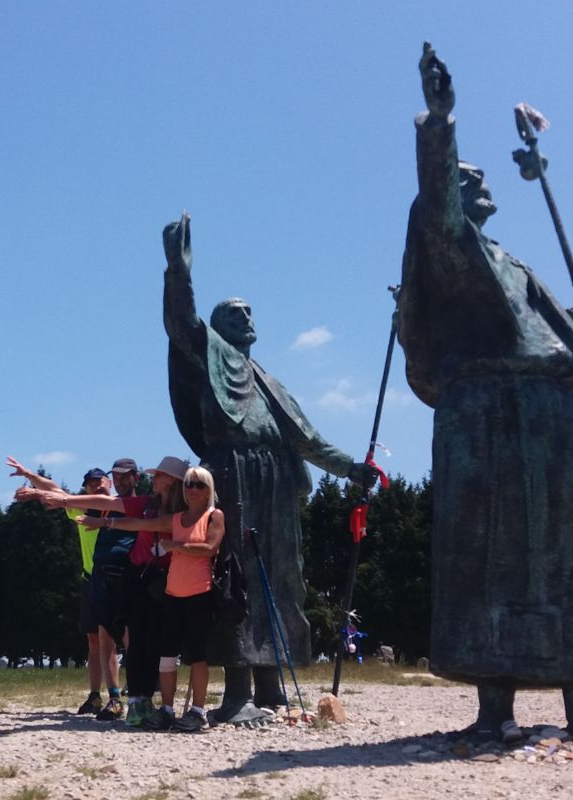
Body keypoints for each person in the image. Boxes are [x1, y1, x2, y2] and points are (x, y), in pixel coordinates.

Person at [396, 43, 573, 744]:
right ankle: (494, 712)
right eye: (466, 179)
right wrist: (441, 125)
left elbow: (557, 329)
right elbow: (438, 207)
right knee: (490, 553)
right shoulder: (449, 247)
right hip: (490, 413)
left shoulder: (514, 262)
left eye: (472, 176)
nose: (479, 182)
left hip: (552, 410)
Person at [162, 214, 379, 726]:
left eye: (249, 311)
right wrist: (178, 271)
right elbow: (180, 325)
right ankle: (237, 692)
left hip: (275, 480)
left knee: (280, 578)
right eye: (234, 313)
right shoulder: (208, 355)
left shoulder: (269, 381)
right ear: (218, 327)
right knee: (236, 576)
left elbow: (304, 436)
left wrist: (349, 467)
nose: (246, 316)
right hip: (233, 474)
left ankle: (270, 686)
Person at [19, 455, 190, 728]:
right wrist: (59, 499)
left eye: (158, 475)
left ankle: (162, 707)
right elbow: (109, 505)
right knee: (130, 642)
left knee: (157, 646)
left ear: (171, 481)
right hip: (134, 582)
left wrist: (105, 523)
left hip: (169, 582)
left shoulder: (182, 512)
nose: (152, 478)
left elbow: (154, 525)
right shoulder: (145, 504)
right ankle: (137, 703)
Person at [79, 465, 224, 732]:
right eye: (189, 484)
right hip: (170, 591)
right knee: (163, 652)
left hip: (199, 593)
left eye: (199, 485)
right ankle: (164, 709)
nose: (192, 489)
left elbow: (209, 548)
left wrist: (172, 546)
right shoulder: (175, 516)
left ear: (208, 490)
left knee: (196, 655)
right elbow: (140, 523)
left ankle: (197, 711)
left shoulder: (214, 516)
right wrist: (103, 522)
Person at [7, 456, 128, 719]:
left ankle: (127, 693)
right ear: (85, 489)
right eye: (90, 484)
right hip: (90, 578)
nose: (96, 486)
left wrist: (35, 488)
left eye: (100, 481)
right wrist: (27, 472)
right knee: (94, 640)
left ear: (109, 482)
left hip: (118, 579)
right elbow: (54, 489)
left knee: (123, 636)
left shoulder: (120, 506)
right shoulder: (79, 509)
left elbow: (52, 492)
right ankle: (96, 696)